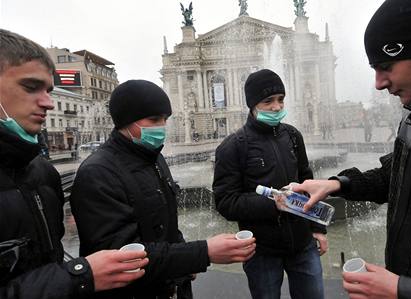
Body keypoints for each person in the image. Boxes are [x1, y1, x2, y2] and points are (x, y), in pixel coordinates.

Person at [292, 0, 411, 298]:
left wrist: (405, 290)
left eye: (385, 66)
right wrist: (336, 184)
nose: (379, 83)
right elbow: (394, 174)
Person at [70, 79, 256, 299]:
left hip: (172, 286)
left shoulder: (154, 159)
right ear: (126, 120)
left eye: (165, 120)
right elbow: (124, 256)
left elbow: (167, 225)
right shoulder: (98, 173)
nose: (162, 127)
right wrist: (202, 253)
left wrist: (184, 264)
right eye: (154, 119)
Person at [0, 29, 148, 298]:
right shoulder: (96, 169)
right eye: (30, 87)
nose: (47, 102)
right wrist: (79, 276)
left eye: (48, 90)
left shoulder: (42, 172)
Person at [213, 69, 327, 299]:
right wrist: (273, 204)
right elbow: (225, 202)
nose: (277, 107)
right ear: (252, 105)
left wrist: (318, 229)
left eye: (281, 99)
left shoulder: (293, 136)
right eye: (268, 101)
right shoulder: (233, 146)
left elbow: (308, 182)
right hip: (262, 251)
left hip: (303, 244)